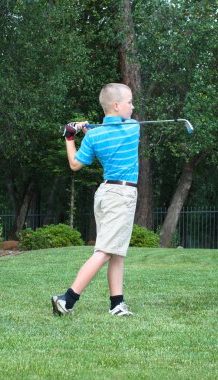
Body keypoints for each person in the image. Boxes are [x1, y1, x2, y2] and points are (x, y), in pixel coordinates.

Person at [51, 83, 140, 317]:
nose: (133, 107)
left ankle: (116, 304)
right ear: (117, 105)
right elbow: (117, 130)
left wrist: (71, 136)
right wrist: (90, 131)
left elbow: (75, 164)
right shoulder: (132, 127)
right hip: (121, 195)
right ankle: (67, 299)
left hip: (105, 195)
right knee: (104, 251)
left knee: (116, 250)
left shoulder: (96, 135)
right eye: (130, 102)